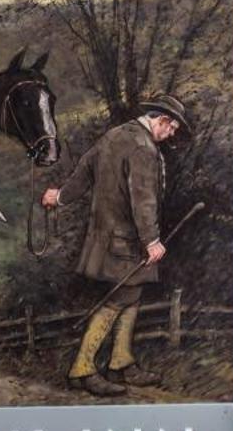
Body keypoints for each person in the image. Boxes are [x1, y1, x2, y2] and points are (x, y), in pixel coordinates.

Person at [41, 94, 190, 396]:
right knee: (116, 302)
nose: (171, 134)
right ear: (161, 120)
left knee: (130, 298)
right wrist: (152, 240)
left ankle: (121, 362)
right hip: (127, 241)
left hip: (104, 239)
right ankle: (81, 369)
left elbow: (84, 170)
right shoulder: (143, 148)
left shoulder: (113, 135)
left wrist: (59, 197)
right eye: (171, 128)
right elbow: (143, 199)